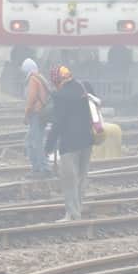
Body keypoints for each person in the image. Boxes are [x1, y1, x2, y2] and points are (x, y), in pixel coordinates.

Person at [44, 65, 95, 221]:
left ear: (57, 79)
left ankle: (72, 214)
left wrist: (49, 146)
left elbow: (58, 123)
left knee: (69, 180)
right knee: (81, 177)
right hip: (87, 139)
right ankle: (77, 209)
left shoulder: (60, 95)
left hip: (69, 143)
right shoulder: (84, 86)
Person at [22, 58, 53, 177]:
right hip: (40, 114)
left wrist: (26, 115)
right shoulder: (39, 77)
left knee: (35, 141)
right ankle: (38, 167)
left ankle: (42, 168)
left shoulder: (33, 79)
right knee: (32, 141)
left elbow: (31, 99)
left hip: (36, 114)